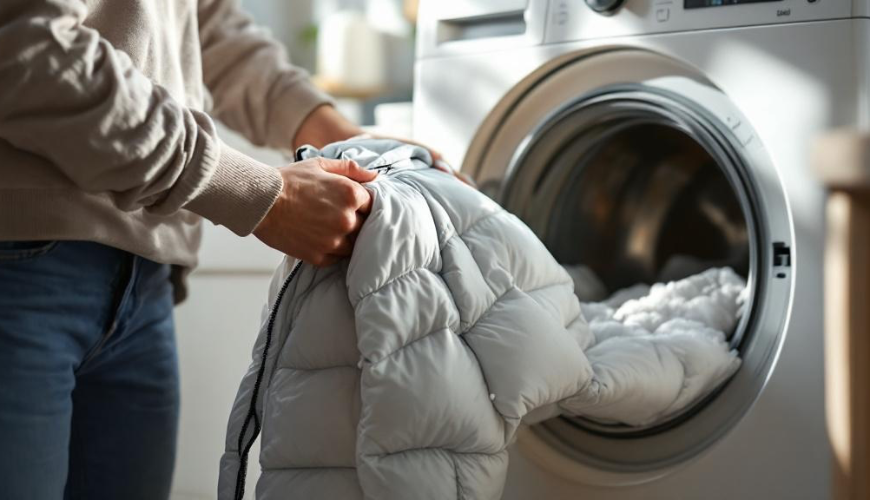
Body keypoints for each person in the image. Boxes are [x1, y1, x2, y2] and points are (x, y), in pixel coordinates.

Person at [0, 1, 445, 498]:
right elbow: (28, 51)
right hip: (20, 266)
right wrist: (257, 194)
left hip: (144, 277)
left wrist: (332, 131)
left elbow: (203, 23)